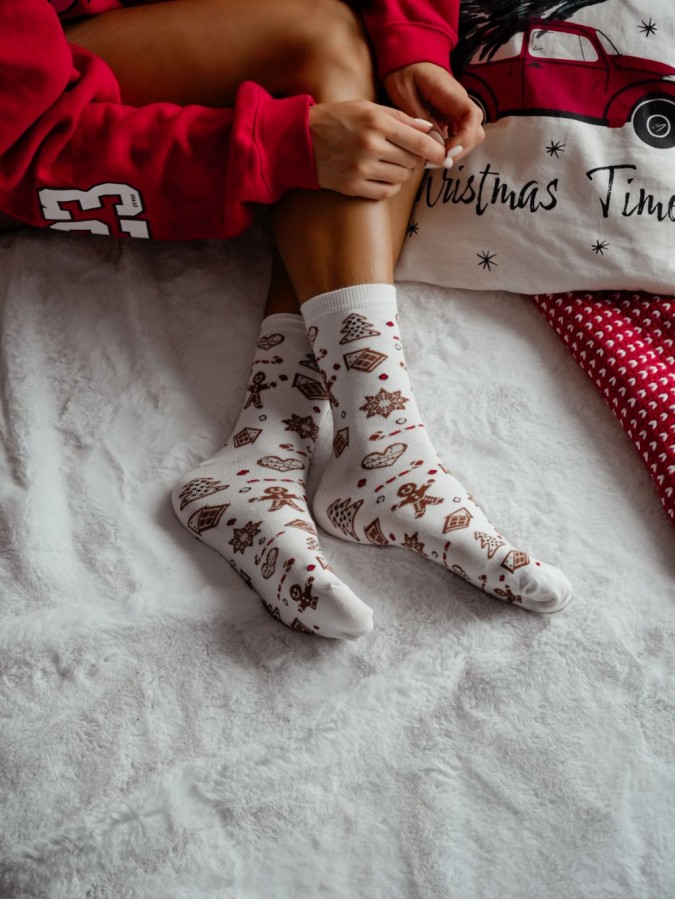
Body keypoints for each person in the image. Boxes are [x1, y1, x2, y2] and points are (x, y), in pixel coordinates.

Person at [0, 0, 572, 639]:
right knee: (323, 40)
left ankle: (275, 443)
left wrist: (413, 42)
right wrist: (276, 148)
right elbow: (20, 142)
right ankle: (382, 454)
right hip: (30, 104)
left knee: (389, 80)